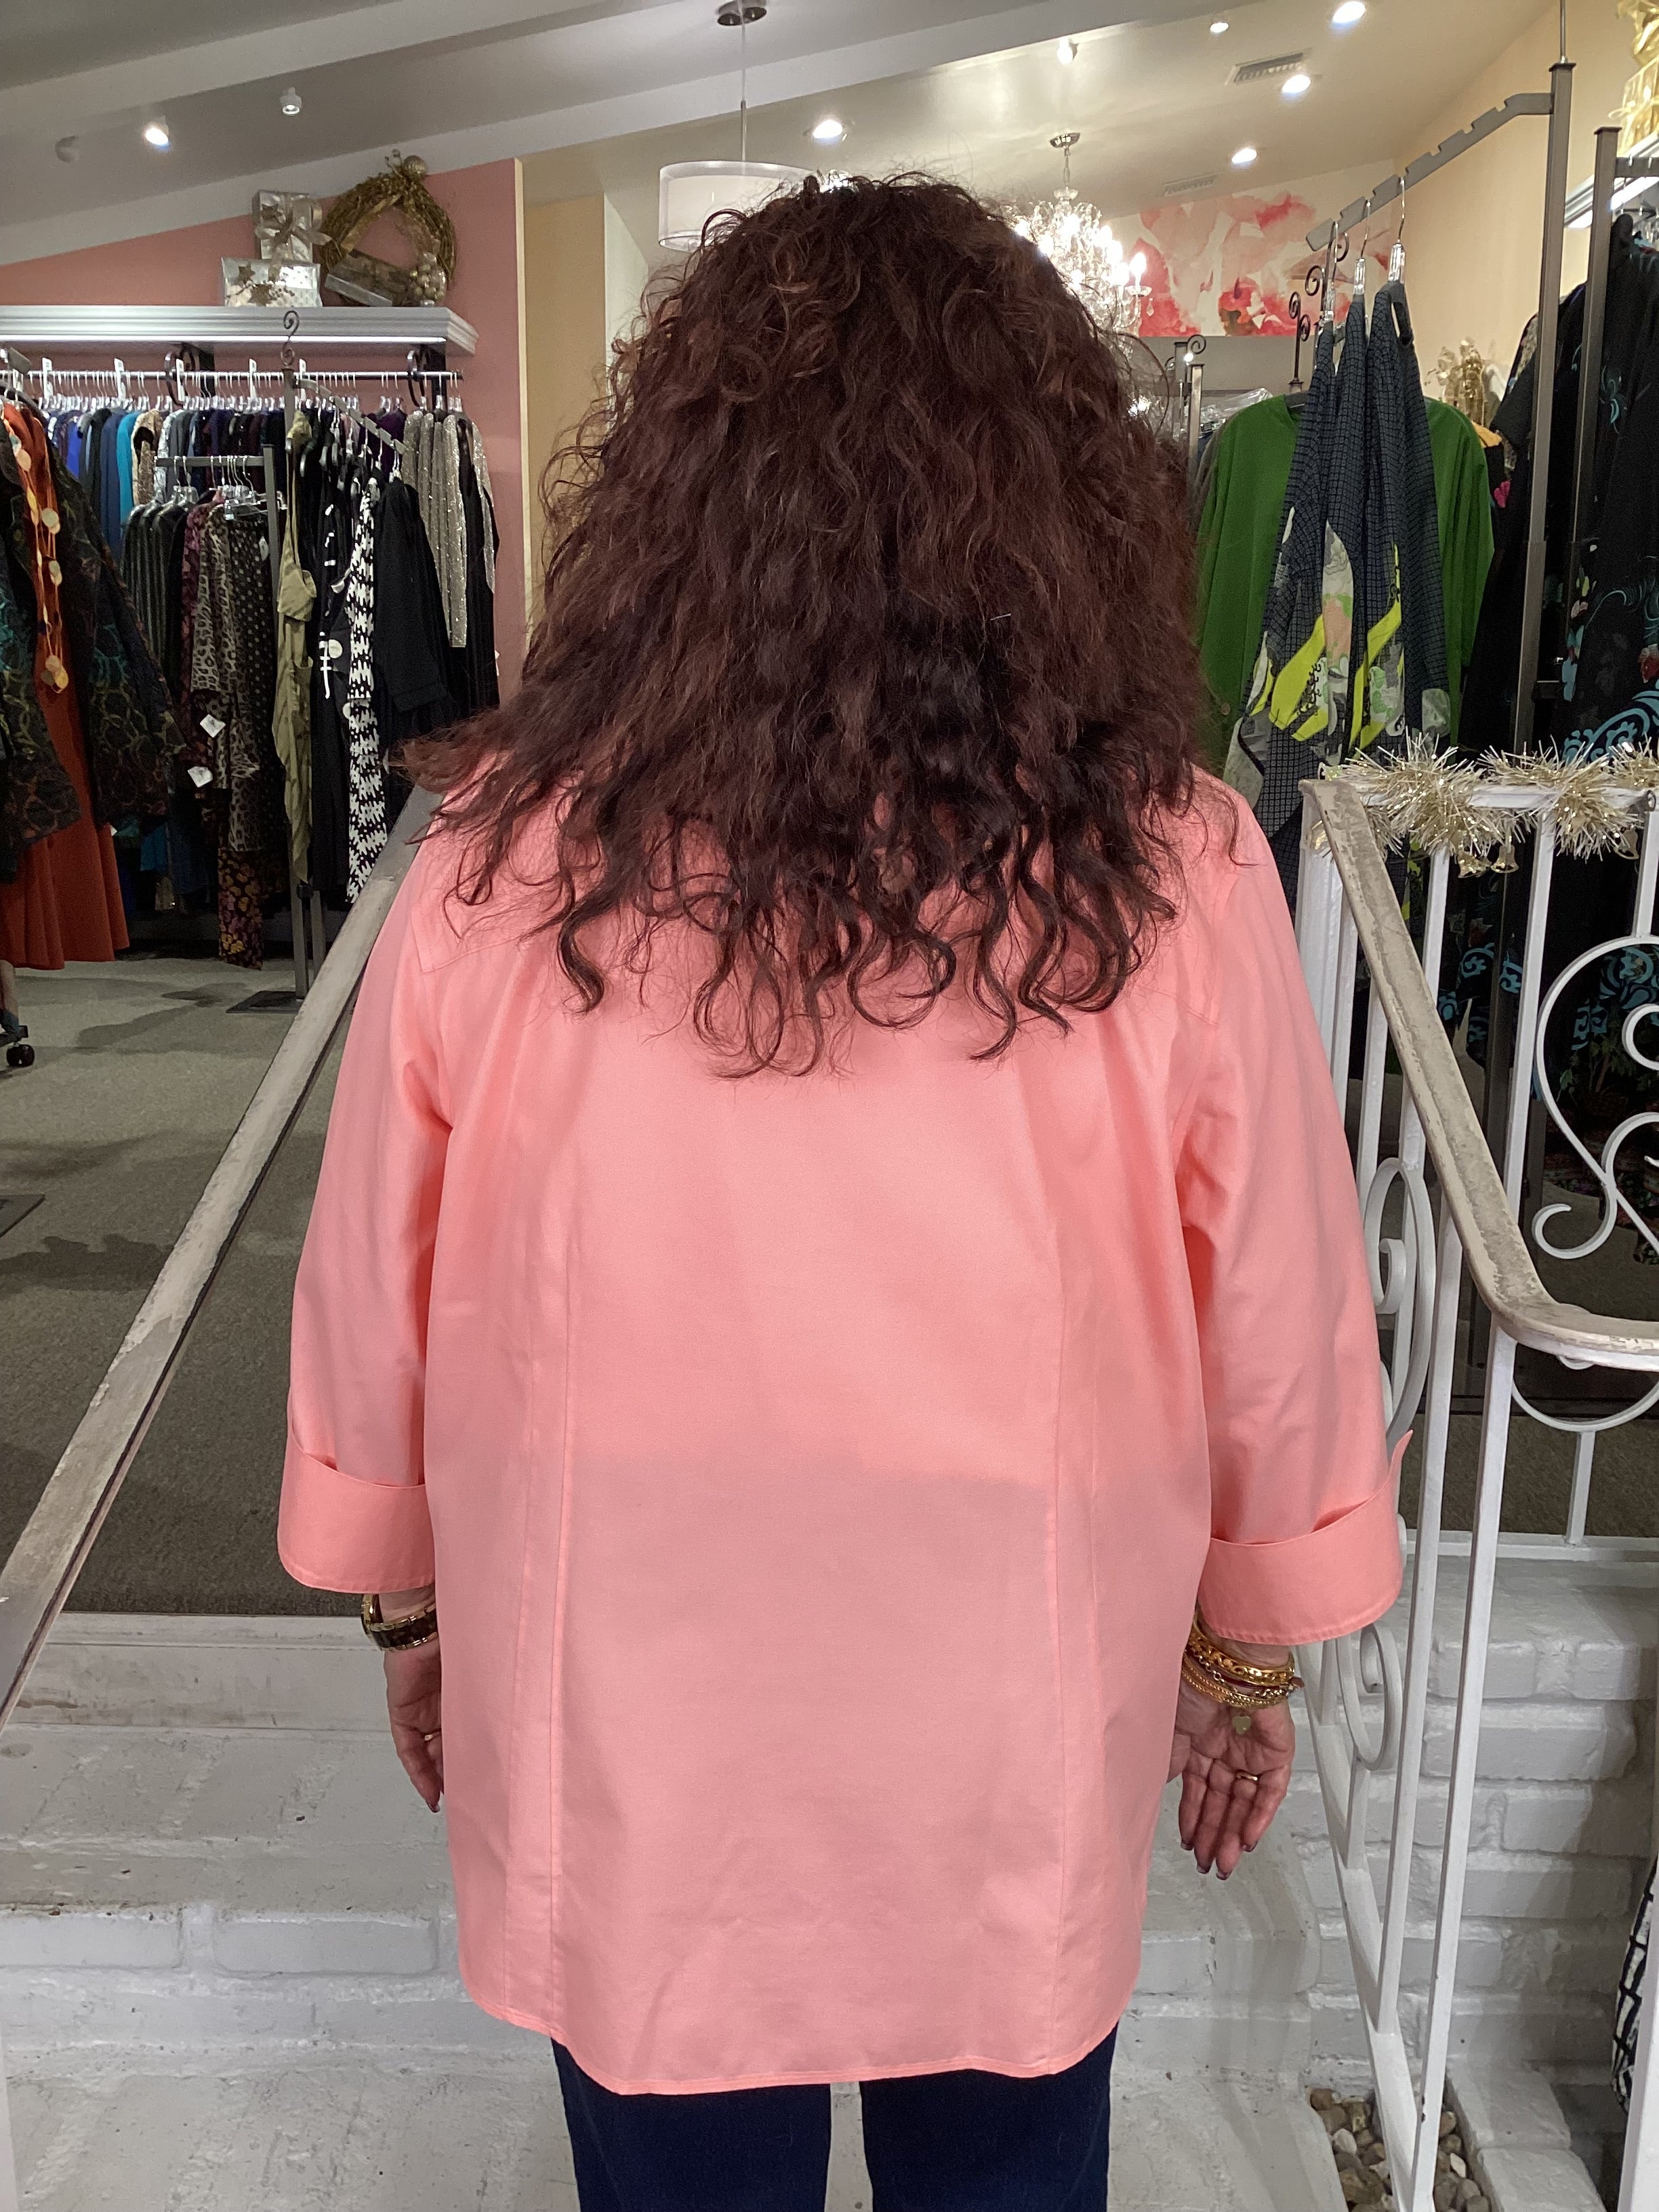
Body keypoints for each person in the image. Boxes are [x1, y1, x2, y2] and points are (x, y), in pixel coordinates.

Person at [279, 174, 1403, 2209]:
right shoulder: (1175, 867)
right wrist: (1250, 1651)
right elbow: (1283, 1309)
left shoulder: (496, 867)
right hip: (1008, 1705)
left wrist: (410, 1599)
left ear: (675, 499)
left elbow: (376, 1286)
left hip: (632, 1696)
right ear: (1055, 497)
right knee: (1007, 2160)